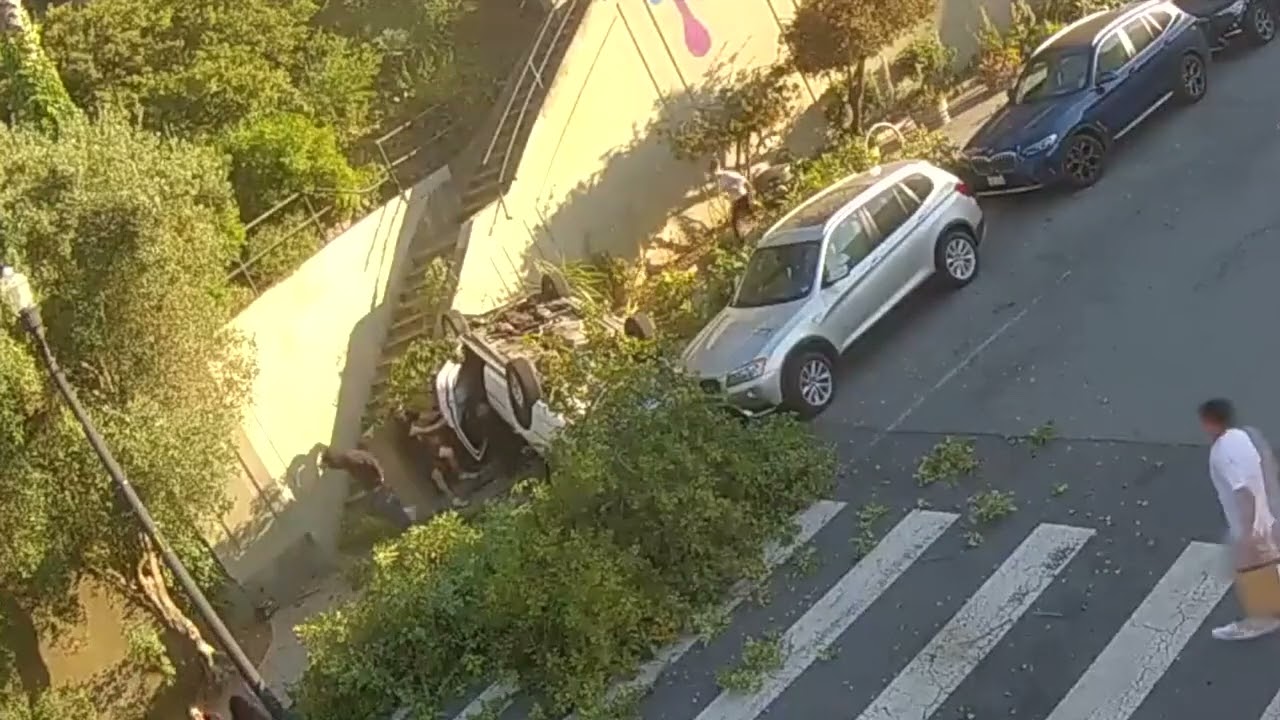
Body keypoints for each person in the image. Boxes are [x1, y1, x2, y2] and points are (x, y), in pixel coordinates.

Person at [1198, 398, 1280, 640]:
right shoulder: (1248, 435)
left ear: (1209, 422)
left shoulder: (1225, 450)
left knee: (1249, 568)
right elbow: (1269, 464)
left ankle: (1263, 619)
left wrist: (1248, 533)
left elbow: (1244, 492)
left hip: (1254, 522)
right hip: (1270, 513)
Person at [319, 443, 417, 528]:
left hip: (368, 475)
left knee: (348, 462)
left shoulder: (387, 497)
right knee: (348, 460)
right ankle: (327, 458)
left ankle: (328, 459)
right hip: (368, 474)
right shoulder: (384, 492)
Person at [409, 406, 481, 509]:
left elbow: (430, 416)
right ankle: (454, 500)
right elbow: (429, 429)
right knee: (438, 477)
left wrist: (443, 413)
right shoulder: (413, 429)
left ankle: (460, 474)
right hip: (424, 458)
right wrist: (444, 420)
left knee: (449, 453)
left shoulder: (417, 421)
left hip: (430, 452)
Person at [711, 159, 753, 240]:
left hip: (742, 197)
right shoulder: (720, 181)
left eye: (715, 171)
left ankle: (747, 235)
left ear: (718, 168)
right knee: (735, 221)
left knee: (741, 218)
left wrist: (735, 187)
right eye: (713, 172)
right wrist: (726, 195)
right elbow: (726, 191)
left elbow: (742, 179)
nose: (714, 174)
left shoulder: (728, 174)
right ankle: (742, 238)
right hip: (735, 200)